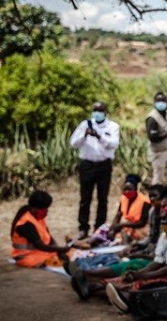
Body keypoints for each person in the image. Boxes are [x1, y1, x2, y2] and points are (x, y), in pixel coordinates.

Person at [104, 202, 167, 313]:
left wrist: (143, 275)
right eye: (164, 219)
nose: (165, 223)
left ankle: (126, 300)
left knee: (149, 282)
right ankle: (109, 292)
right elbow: (158, 261)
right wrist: (140, 273)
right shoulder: (165, 236)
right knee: (132, 276)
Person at [70, 101, 120, 239]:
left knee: (102, 198)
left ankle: (99, 227)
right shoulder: (85, 124)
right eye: (95, 110)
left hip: (104, 165)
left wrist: (99, 136)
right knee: (85, 198)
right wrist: (84, 135)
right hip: (87, 165)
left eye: (100, 110)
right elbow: (73, 143)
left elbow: (113, 144)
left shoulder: (113, 126)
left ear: (105, 112)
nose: (97, 113)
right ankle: (83, 228)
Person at [11, 190, 73, 268]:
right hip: (26, 256)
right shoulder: (26, 223)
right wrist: (60, 250)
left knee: (71, 254)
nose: (47, 211)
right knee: (56, 262)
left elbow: (49, 237)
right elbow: (41, 246)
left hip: (39, 252)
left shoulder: (38, 217)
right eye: (45, 209)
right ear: (34, 208)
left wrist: (58, 250)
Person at [108, 174, 151, 242]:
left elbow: (142, 222)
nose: (127, 192)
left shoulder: (145, 201)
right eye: (125, 189)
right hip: (126, 226)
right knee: (105, 229)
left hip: (139, 229)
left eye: (129, 189)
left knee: (123, 234)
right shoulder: (123, 198)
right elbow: (118, 214)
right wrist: (113, 228)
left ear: (135, 189)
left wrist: (122, 225)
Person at [146, 91, 167, 185]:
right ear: (155, 102)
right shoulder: (152, 118)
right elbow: (152, 137)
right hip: (158, 152)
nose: (161, 103)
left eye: (163, 100)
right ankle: (155, 196)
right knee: (159, 176)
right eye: (159, 101)